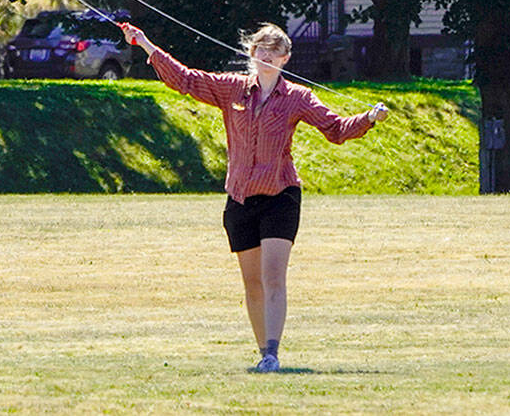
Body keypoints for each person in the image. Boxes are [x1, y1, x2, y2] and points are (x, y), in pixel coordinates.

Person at [118, 21, 388, 374]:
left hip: (280, 195)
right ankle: (264, 354)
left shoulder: (297, 98)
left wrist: (369, 117)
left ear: (285, 58)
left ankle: (274, 353)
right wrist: (145, 44)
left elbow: (335, 130)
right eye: (261, 49)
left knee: (273, 276)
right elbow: (184, 79)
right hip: (241, 199)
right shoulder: (232, 90)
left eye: (274, 52)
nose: (266, 56)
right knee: (252, 283)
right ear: (251, 53)